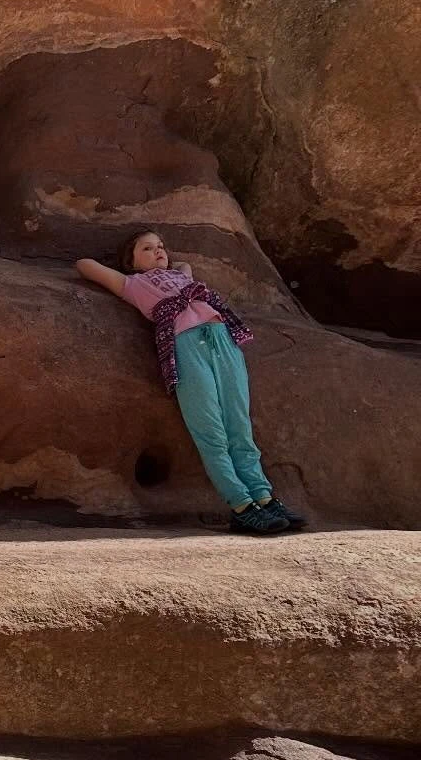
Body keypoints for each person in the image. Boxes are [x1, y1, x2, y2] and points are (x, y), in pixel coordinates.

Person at [75, 229, 306, 536]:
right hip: (186, 347)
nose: (158, 251)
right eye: (147, 248)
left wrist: (171, 269)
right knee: (211, 430)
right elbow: (84, 264)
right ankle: (242, 506)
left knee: (239, 425)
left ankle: (265, 498)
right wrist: (129, 272)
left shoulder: (182, 278)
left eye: (161, 246)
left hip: (224, 341)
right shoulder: (134, 284)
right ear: (131, 262)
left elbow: (185, 268)